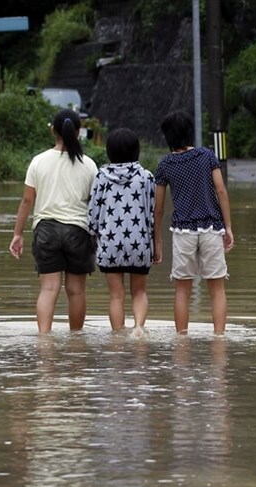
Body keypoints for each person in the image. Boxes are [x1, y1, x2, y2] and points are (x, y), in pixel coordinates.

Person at [10, 108, 98, 333]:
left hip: (46, 231)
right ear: (78, 132)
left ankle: (44, 341)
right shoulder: (88, 165)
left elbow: (27, 201)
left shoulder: (38, 162)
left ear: (53, 131)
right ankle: (76, 341)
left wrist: (17, 234)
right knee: (76, 291)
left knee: (49, 290)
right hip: (78, 231)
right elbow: (95, 205)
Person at [153, 111, 234, 335]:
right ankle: (219, 338)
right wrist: (228, 227)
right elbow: (221, 191)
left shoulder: (165, 165)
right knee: (217, 289)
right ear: (191, 133)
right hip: (211, 228)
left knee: (182, 290)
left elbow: (158, 208)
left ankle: (181, 340)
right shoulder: (207, 156)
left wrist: (157, 240)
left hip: (183, 231)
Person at [88, 128, 159, 336]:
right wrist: (153, 242)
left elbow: (93, 211)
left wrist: (93, 233)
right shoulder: (146, 177)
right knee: (139, 291)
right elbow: (152, 211)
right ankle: (138, 328)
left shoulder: (101, 176)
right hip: (140, 242)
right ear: (137, 150)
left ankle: (118, 335)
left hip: (110, 244)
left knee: (116, 296)